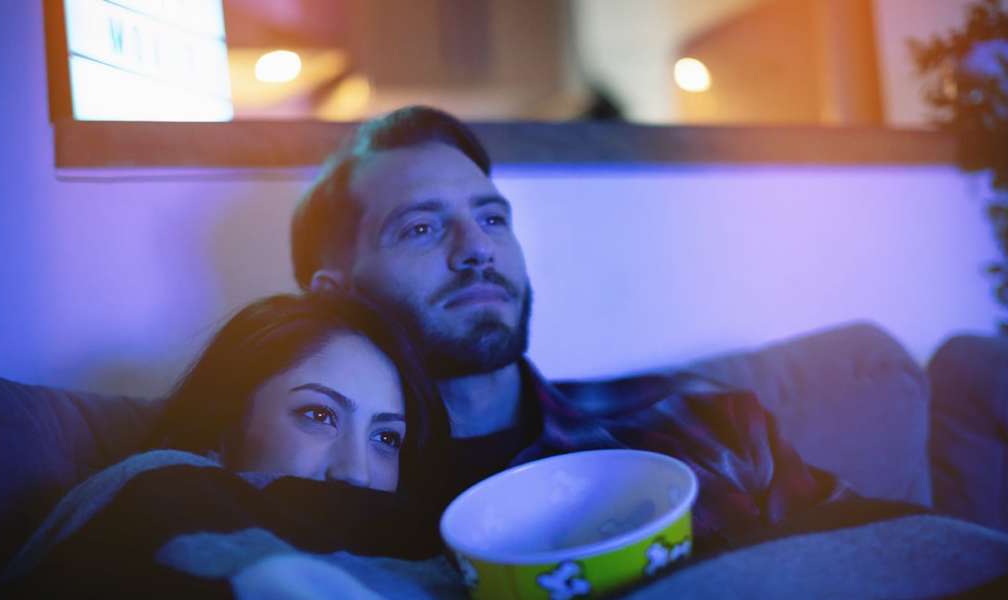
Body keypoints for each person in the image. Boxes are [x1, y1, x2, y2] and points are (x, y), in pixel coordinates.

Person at [289, 106, 855, 551]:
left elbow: (882, 553)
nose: (479, 248)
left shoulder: (710, 425)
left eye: (492, 218)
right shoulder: (334, 496)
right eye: (420, 228)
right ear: (335, 294)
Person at [0, 293, 451, 597]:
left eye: (386, 438)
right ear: (224, 425)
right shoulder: (159, 485)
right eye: (318, 415)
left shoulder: (435, 544)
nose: (356, 471)